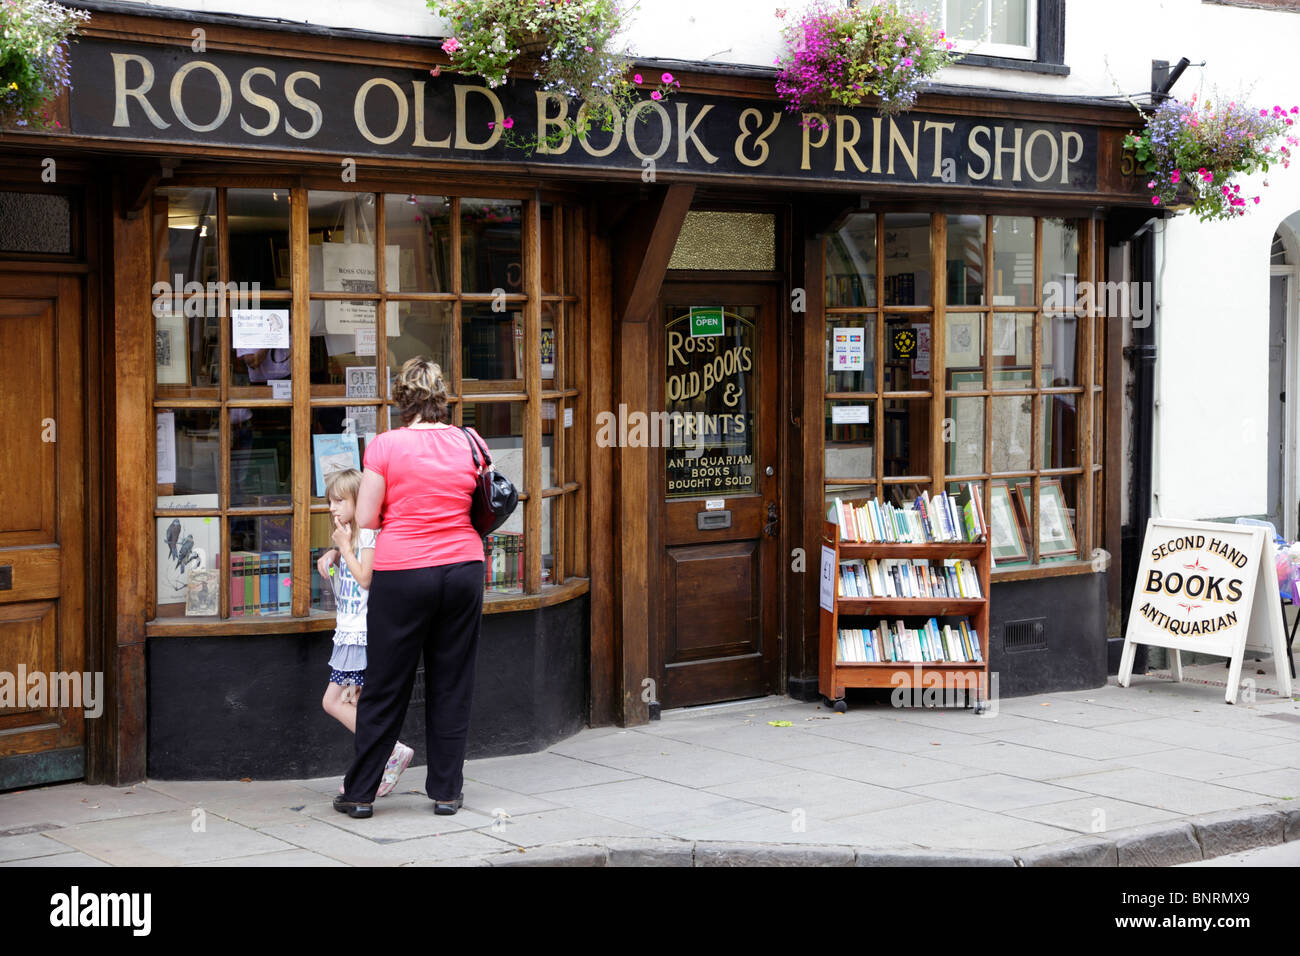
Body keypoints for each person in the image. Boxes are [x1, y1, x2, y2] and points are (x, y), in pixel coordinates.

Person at [333, 358, 486, 819]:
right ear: (442, 396)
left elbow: (366, 519)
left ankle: (360, 795)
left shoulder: (385, 446)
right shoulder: (470, 440)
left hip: (402, 573)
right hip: (463, 567)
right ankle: (446, 792)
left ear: (402, 399)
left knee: (385, 685)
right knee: (451, 682)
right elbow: (484, 501)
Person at [317, 468, 414, 801]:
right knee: (355, 705)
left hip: (362, 636)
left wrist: (342, 548)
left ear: (358, 502)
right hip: (348, 635)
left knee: (333, 702)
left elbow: (366, 578)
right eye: (331, 500)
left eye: (340, 500)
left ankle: (390, 752)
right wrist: (334, 552)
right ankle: (372, 768)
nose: (333, 507)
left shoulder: (368, 535)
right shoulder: (352, 536)